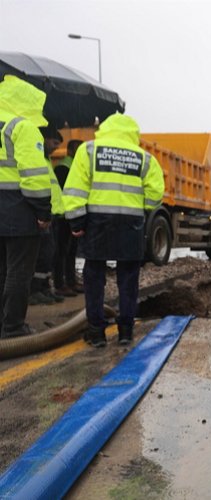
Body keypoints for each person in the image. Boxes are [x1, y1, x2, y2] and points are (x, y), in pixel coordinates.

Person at [63, 113, 164, 347]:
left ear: (105, 129)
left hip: (97, 222)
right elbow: (155, 195)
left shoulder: (89, 151)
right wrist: (142, 208)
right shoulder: (144, 158)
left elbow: (75, 189)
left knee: (94, 276)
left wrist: (77, 222)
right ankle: (126, 331)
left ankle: (97, 333)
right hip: (130, 223)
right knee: (128, 278)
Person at [0, 75, 52, 338]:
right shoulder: (22, 126)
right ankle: (12, 327)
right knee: (18, 272)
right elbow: (34, 176)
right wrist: (43, 211)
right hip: (17, 211)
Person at [29, 126, 65, 305]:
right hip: (43, 214)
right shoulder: (36, 157)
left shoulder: (47, 159)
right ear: (45, 139)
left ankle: (44, 288)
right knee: (42, 254)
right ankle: (34, 290)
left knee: (50, 254)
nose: (56, 148)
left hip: (53, 214)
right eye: (54, 143)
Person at [53, 139, 84, 296]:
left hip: (74, 214)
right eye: (78, 150)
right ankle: (60, 284)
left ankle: (71, 281)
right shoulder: (63, 167)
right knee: (61, 250)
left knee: (71, 250)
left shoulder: (76, 167)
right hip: (64, 215)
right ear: (70, 151)